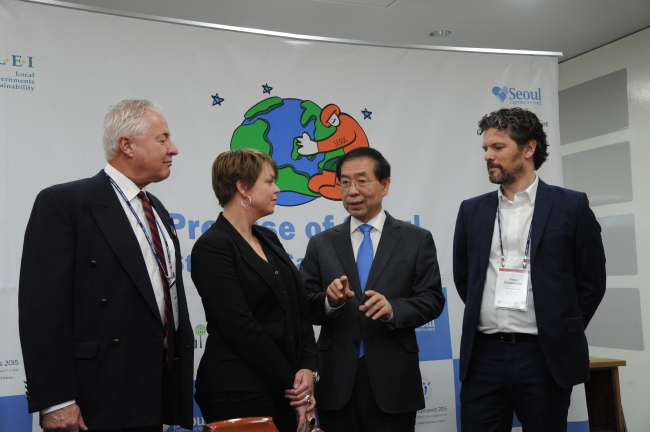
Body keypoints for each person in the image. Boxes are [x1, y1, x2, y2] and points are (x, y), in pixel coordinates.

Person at [18, 99, 194, 431]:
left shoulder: (156, 208)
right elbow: (42, 311)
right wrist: (57, 400)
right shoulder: (65, 204)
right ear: (126, 145)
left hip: (152, 392)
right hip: (94, 397)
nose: (174, 149)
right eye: (163, 138)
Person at [453, 107, 607, 432]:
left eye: (498, 147)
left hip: (543, 357)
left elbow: (592, 282)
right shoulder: (472, 211)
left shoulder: (571, 206)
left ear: (528, 148)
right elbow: (464, 277)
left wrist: (561, 327)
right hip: (484, 357)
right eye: (485, 148)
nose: (488, 156)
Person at [300, 147, 446, 432]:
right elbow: (303, 303)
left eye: (362, 181)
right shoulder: (321, 243)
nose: (352, 191)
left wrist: (394, 310)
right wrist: (329, 302)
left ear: (385, 184)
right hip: (335, 381)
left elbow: (432, 299)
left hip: (393, 380)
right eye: (344, 182)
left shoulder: (416, 239)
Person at [191, 149, 319, 432]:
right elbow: (240, 327)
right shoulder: (212, 247)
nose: (278, 189)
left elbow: (299, 311)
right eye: (270, 181)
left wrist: (308, 370)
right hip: (238, 392)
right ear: (242, 187)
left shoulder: (269, 238)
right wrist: (293, 384)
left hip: (286, 389)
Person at [295, 104, 369, 200]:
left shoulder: (345, 121)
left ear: (336, 113)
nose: (332, 121)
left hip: (358, 158)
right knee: (330, 163)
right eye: (329, 121)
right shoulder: (340, 125)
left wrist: (317, 147)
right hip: (349, 157)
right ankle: (327, 180)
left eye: (331, 117)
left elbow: (341, 139)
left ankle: (338, 187)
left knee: (337, 165)